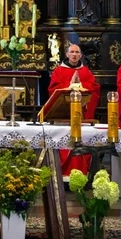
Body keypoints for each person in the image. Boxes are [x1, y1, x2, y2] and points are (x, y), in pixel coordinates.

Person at [48, 44, 100, 176]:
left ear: (81, 55)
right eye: (72, 52)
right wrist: (70, 85)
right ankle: (62, 173)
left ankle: (81, 173)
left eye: (77, 52)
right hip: (63, 117)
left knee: (81, 141)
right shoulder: (58, 71)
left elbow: (94, 90)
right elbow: (52, 90)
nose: (75, 54)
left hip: (81, 116)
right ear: (67, 54)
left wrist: (80, 85)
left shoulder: (86, 72)